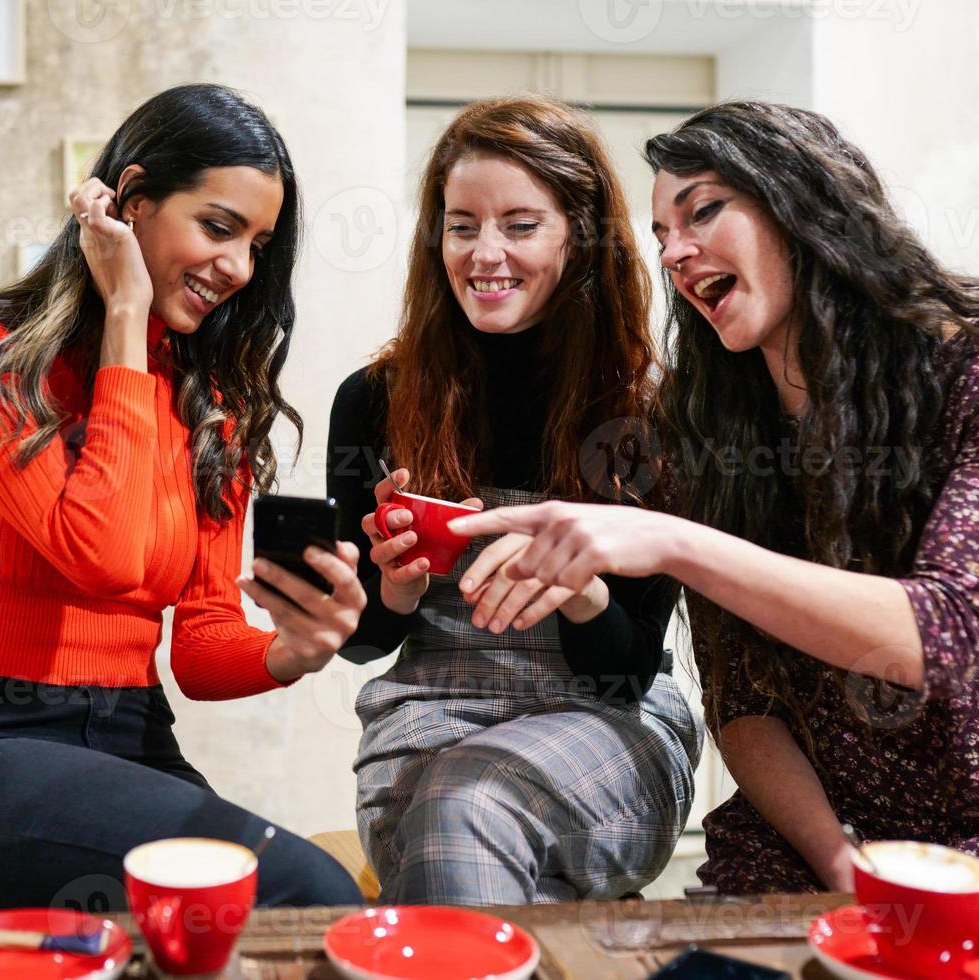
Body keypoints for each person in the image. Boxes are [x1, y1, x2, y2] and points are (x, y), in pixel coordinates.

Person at [447, 101, 979, 972]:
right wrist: (838, 867)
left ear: (806, 205)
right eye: (662, 229)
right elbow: (742, 707)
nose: (673, 250)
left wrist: (670, 541)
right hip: (809, 841)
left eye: (704, 211)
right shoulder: (705, 429)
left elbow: (939, 634)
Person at [0, 84, 365, 915]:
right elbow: (98, 554)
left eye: (258, 243)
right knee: (303, 891)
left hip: (133, 737)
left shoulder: (214, 402)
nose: (240, 268)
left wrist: (295, 650)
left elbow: (202, 647)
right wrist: (126, 314)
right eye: (218, 226)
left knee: (291, 915)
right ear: (131, 204)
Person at [327, 95, 702, 906]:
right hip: (429, 709)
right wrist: (391, 589)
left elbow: (625, 674)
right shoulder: (374, 400)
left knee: (466, 808)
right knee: (462, 839)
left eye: (521, 225)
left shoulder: (650, 416)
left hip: (606, 723)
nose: (484, 253)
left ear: (582, 235)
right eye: (462, 225)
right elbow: (362, 643)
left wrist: (577, 585)